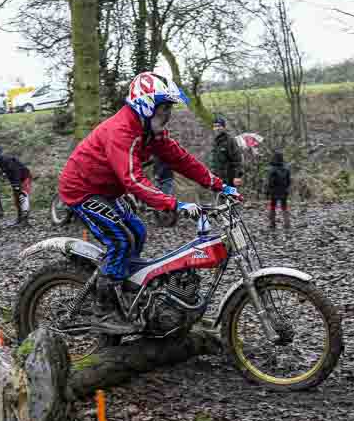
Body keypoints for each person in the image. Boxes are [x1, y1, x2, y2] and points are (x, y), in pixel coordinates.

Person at [58, 71, 241, 335]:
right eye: (164, 108)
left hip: (106, 190)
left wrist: (219, 185)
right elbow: (134, 179)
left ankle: (127, 292)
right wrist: (174, 204)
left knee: (138, 232)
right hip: (82, 190)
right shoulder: (122, 131)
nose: (168, 114)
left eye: (169, 108)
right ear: (146, 105)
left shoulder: (150, 132)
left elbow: (182, 160)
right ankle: (104, 310)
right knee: (121, 240)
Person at [0, 146, 32, 225]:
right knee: (16, 200)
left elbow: (16, 171)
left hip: (24, 178)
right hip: (15, 180)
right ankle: (19, 218)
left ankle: (25, 220)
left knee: (23, 197)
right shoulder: (0, 162)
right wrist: (3, 175)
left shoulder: (7, 160)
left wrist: (17, 184)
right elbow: (6, 172)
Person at [210, 115, 244, 188]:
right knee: (219, 194)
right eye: (215, 126)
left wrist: (237, 176)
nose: (217, 128)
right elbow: (213, 162)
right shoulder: (215, 142)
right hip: (217, 179)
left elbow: (237, 159)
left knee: (230, 195)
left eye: (219, 126)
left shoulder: (230, 140)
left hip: (229, 179)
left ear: (224, 127)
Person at [266, 151, 291, 230]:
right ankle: (287, 223)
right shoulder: (286, 168)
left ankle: (272, 223)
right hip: (284, 190)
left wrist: (268, 191)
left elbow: (270, 182)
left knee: (273, 206)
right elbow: (289, 181)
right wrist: (287, 188)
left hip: (274, 191)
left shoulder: (272, 169)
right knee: (284, 207)